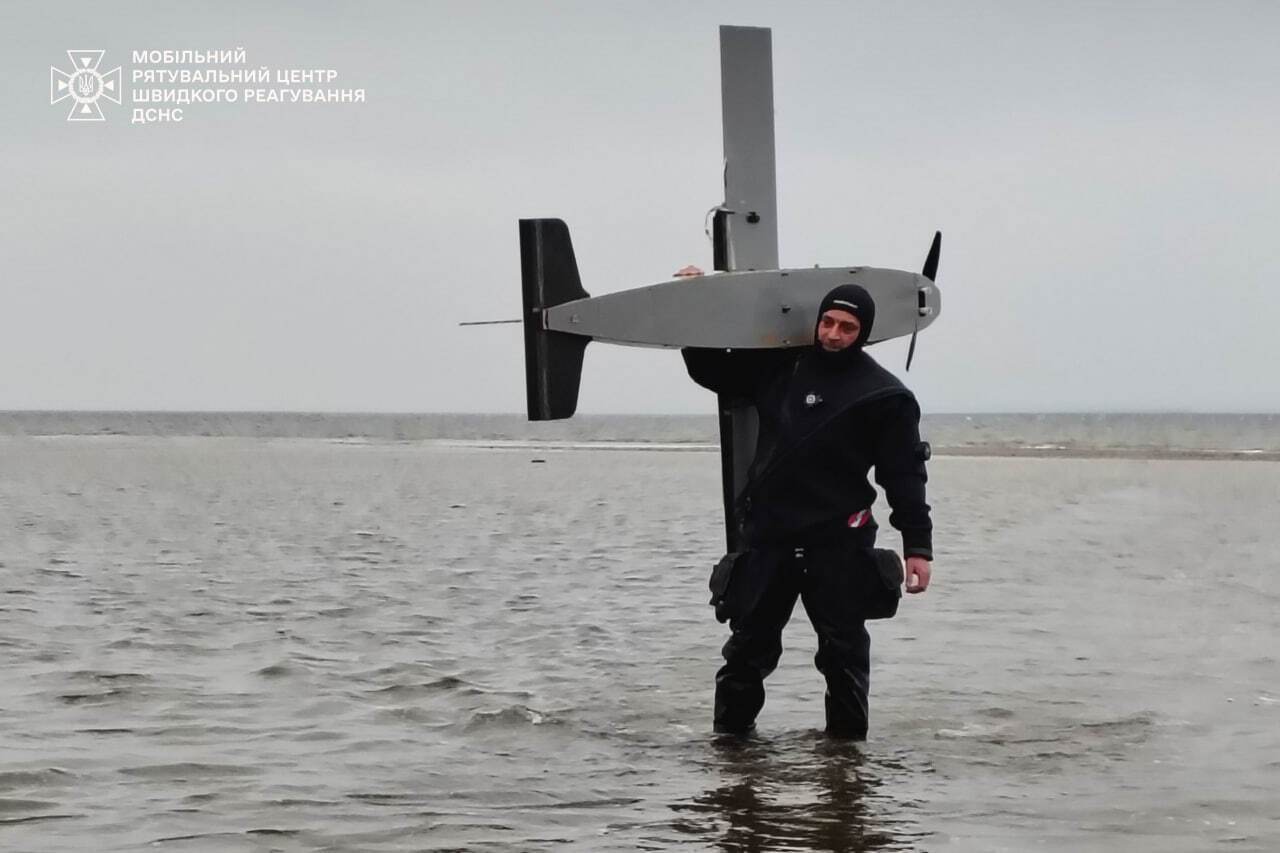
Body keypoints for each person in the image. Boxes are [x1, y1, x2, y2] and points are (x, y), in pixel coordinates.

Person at [679, 270, 933, 739]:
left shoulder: (885, 395)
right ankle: (730, 763)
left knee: (844, 660)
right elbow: (709, 369)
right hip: (770, 541)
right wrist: (700, 297)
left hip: (838, 545)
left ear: (865, 333)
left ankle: (847, 768)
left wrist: (918, 546)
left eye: (847, 328)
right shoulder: (783, 368)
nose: (834, 334)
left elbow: (904, 476)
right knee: (745, 657)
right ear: (818, 321)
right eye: (828, 323)